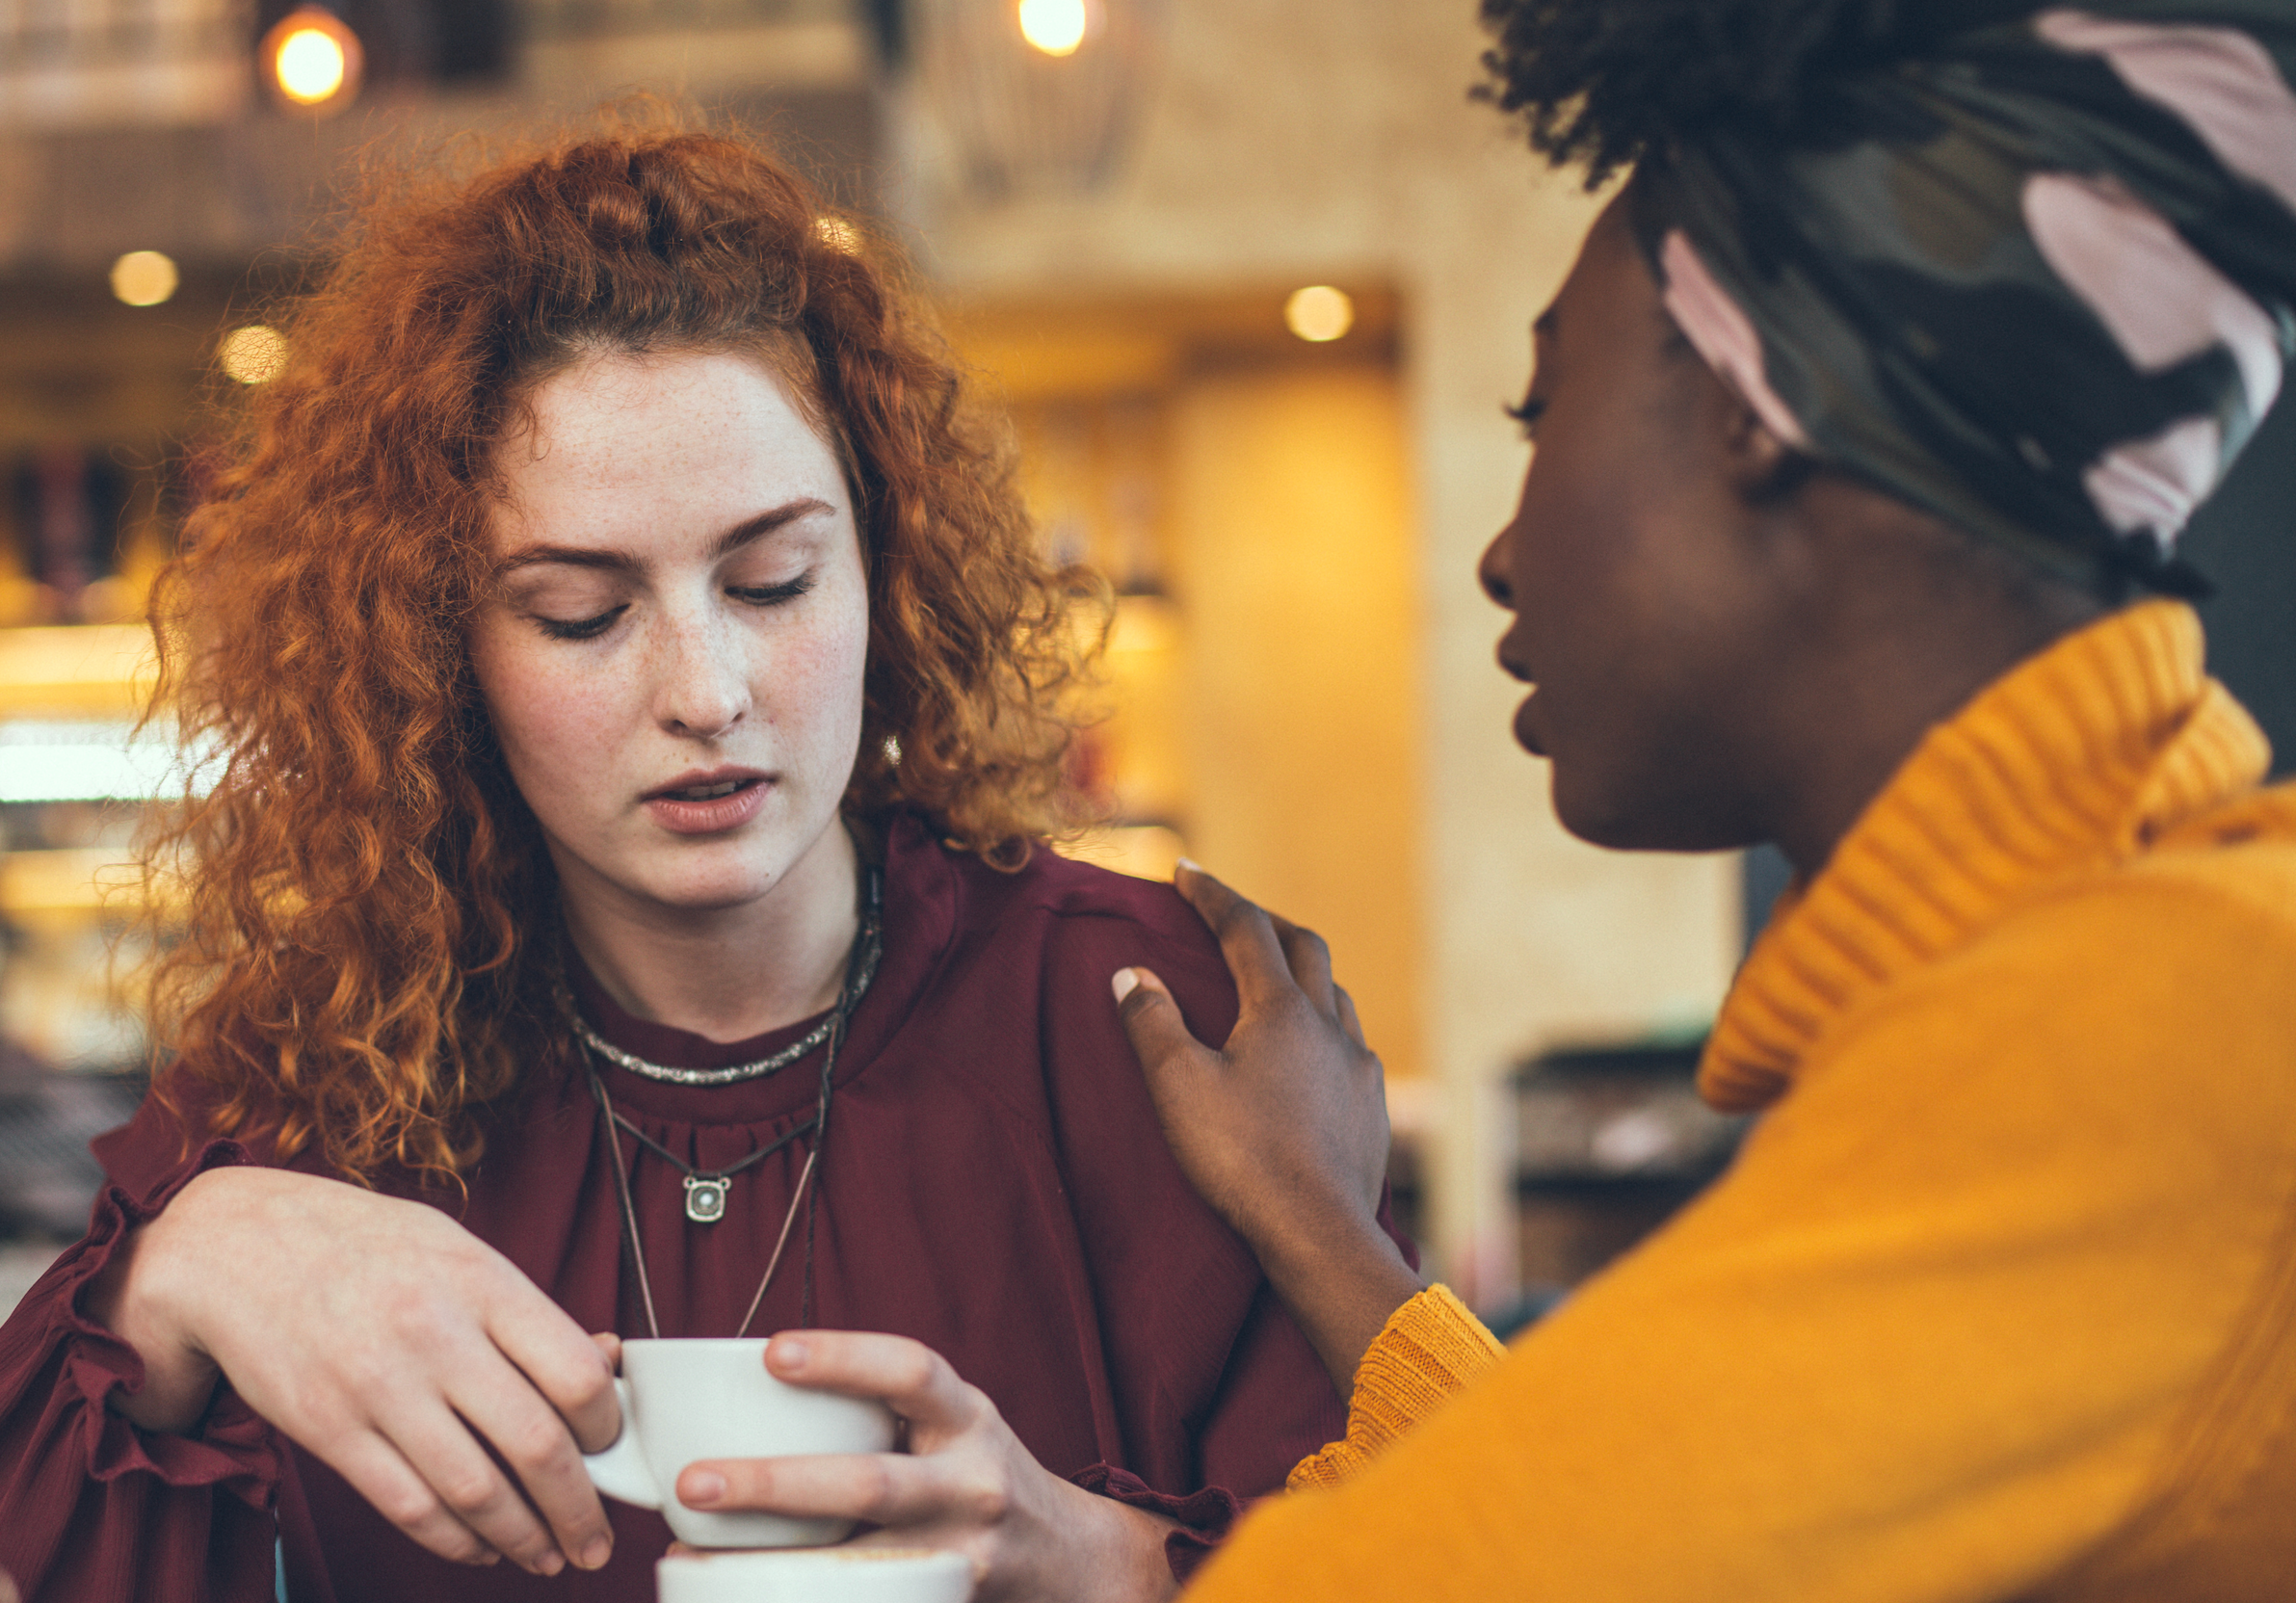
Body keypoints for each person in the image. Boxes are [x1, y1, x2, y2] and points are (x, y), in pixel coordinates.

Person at [799, 0, 2289, 1595]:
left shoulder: (2153, 1039)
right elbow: (1644, 1520)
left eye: (1546, 408)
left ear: (1750, 410)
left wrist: (1100, 1556)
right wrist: (1323, 1227)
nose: (1504, 550)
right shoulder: (2122, 968)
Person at [0, 128, 1375, 1602]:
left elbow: (1458, 1543)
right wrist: (182, 1276)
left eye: (773, 579)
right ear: (439, 656)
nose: (708, 689)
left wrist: (1108, 1567)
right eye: (582, 615)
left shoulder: (1141, 1024)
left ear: (886, 563)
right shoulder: (334, 1078)